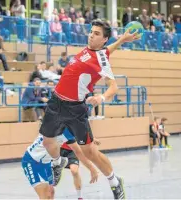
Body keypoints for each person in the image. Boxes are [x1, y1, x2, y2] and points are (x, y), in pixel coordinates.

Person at [39, 20, 139, 199]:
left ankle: (115, 182)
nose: (91, 35)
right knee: (47, 141)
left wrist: (100, 98)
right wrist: (122, 40)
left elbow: (113, 87)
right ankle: (57, 162)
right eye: (91, 32)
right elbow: (108, 50)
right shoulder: (93, 50)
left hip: (75, 109)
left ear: (104, 39)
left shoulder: (102, 60)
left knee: (89, 153)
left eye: (97, 34)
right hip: (56, 102)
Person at [22, 128, 98, 199]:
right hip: (32, 161)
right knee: (45, 195)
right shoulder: (62, 126)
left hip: (46, 162)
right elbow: (78, 151)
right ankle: (58, 161)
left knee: (51, 192)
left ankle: (58, 162)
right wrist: (91, 168)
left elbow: (79, 140)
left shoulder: (68, 126)